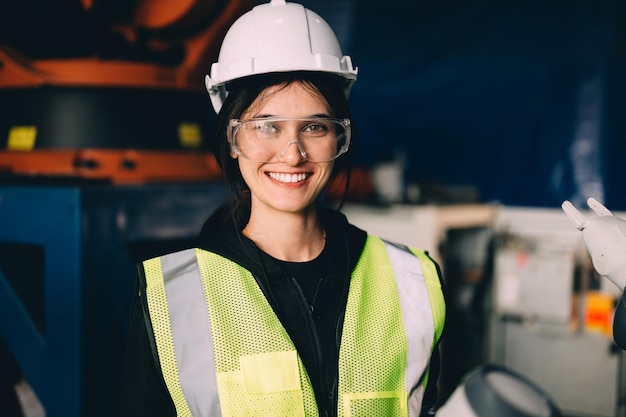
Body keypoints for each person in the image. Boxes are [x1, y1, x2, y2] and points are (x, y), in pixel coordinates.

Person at [117, 1, 446, 416]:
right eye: (266, 126)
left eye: (314, 127)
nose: (292, 155)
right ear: (233, 140)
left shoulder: (412, 282)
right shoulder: (174, 296)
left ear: (338, 138)